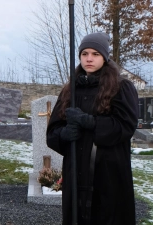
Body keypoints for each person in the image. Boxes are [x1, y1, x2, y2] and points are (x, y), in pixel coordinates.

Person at [46, 32, 138, 225]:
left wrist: (90, 122)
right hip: (76, 172)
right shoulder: (70, 89)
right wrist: (64, 135)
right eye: (85, 53)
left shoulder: (121, 87)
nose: (89, 58)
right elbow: (53, 132)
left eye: (95, 54)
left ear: (104, 57)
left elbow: (125, 126)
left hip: (108, 173)